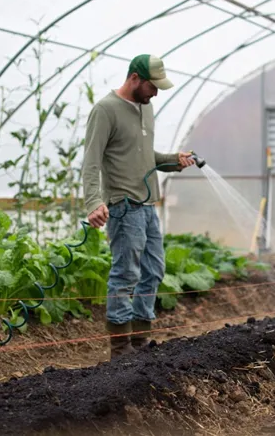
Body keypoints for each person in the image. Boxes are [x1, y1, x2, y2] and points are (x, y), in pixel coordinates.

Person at [81, 54, 195, 358]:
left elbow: (144, 156)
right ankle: (120, 347)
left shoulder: (147, 108)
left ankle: (141, 340)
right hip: (124, 206)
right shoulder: (106, 110)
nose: (156, 92)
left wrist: (174, 161)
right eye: (152, 86)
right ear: (135, 78)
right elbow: (91, 161)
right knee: (126, 273)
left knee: (154, 269)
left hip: (147, 206)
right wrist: (93, 202)